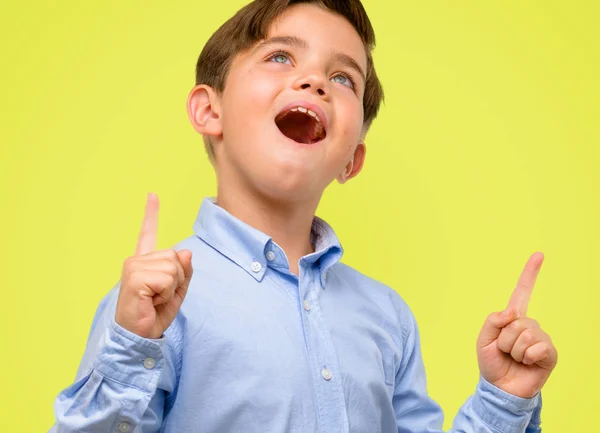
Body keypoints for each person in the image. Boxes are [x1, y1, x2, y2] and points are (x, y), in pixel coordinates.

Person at [49, 1, 558, 432]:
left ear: (351, 160)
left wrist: (502, 401)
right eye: (280, 56)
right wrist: (133, 346)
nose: (314, 80)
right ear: (210, 111)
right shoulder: (149, 310)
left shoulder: (388, 317)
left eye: (342, 77)